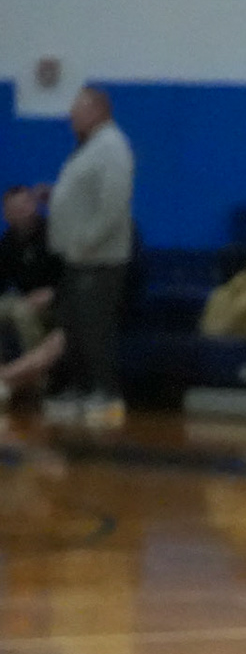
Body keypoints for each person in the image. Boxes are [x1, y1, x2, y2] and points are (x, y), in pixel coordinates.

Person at [45, 86, 134, 431]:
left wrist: (86, 241)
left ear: (98, 110)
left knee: (94, 329)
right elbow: (83, 194)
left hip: (99, 258)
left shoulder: (112, 147)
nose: (71, 117)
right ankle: (82, 389)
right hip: (77, 257)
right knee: (74, 326)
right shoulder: (89, 147)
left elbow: (113, 204)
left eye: (77, 110)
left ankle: (107, 395)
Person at [0, 185, 66, 413]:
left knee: (23, 311)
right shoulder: (8, 242)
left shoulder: (54, 233)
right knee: (14, 307)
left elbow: (73, 274)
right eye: (13, 208)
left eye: (25, 205)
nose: (21, 211)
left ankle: (38, 380)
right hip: (24, 298)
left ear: (34, 206)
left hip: (59, 301)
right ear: (6, 214)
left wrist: (53, 293)